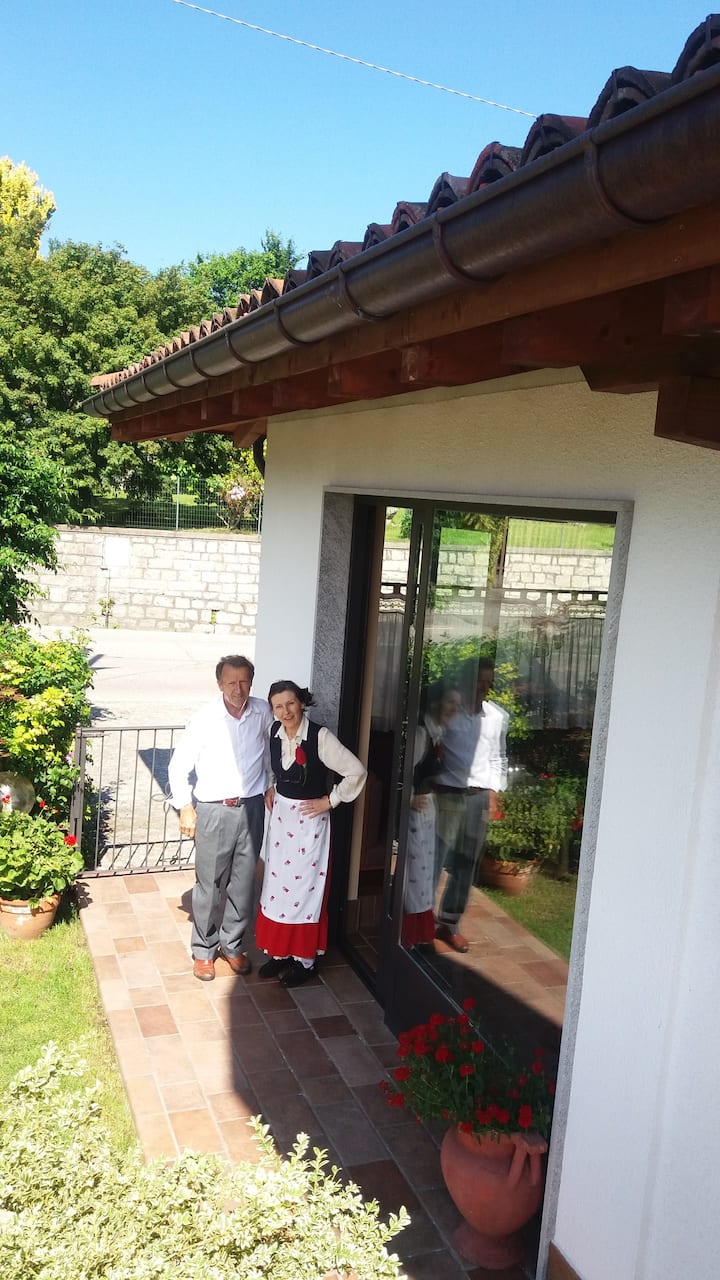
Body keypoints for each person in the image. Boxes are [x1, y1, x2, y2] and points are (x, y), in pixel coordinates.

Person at [168, 655, 273, 982]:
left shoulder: (263, 712)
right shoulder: (205, 719)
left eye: (244, 682)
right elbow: (178, 765)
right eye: (231, 683)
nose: (238, 689)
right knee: (210, 884)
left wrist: (271, 782)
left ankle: (233, 945)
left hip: (252, 807)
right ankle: (204, 949)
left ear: (251, 683)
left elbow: (272, 750)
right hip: (214, 809)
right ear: (219, 684)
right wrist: (185, 806)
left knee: (244, 882)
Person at [256, 680, 367, 987]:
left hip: (309, 825)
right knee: (278, 888)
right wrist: (272, 786)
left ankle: (305, 961)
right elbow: (272, 766)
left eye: (291, 703)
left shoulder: (320, 737)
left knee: (304, 891)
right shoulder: (274, 733)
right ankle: (280, 953)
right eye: (278, 706)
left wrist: (330, 800)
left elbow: (357, 771)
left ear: (301, 703)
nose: (286, 711)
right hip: (282, 823)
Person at [433, 659, 508, 953]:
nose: (483, 687)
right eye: (479, 681)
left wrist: (494, 792)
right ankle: (418, 921)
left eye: (488, 682)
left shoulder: (496, 717)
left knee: (467, 863)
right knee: (434, 860)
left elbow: (498, 757)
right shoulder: (449, 712)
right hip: (446, 794)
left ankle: (449, 923)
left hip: (478, 797)